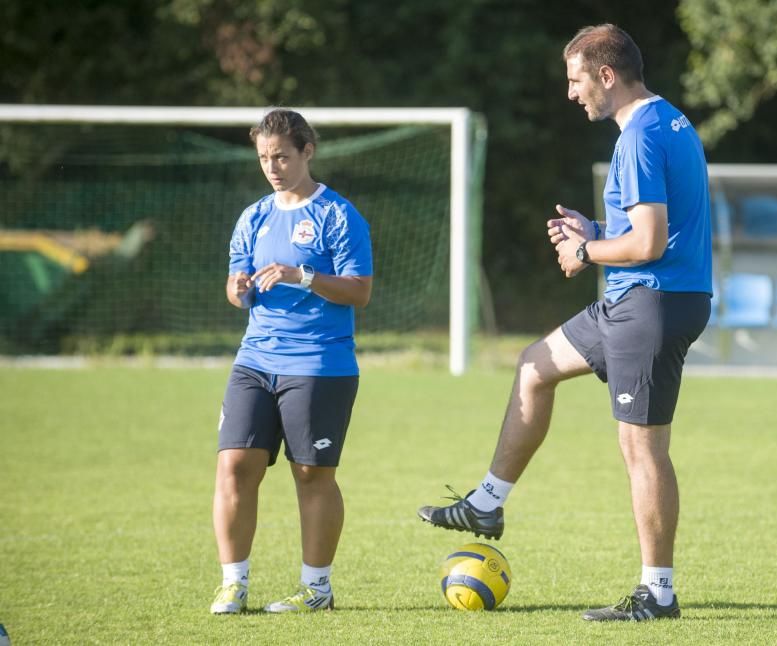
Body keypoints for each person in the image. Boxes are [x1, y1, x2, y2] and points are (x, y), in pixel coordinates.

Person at [418, 24, 712, 622]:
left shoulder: (639, 137)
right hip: (639, 299)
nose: (572, 93)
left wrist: (586, 253)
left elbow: (651, 243)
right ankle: (487, 503)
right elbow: (656, 231)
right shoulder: (668, 120)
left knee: (641, 447)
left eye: (577, 79)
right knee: (535, 365)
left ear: (607, 75)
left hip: (651, 301)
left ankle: (657, 593)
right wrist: (599, 233)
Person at [210, 108, 373, 614]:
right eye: (263, 157)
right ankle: (233, 584)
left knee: (310, 474)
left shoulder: (339, 216)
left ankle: (316, 589)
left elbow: (360, 292)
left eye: (281, 155)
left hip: (320, 364)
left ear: (307, 151)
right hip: (255, 359)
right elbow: (237, 286)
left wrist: (301, 275)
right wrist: (237, 290)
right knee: (234, 466)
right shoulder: (253, 216)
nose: (272, 166)